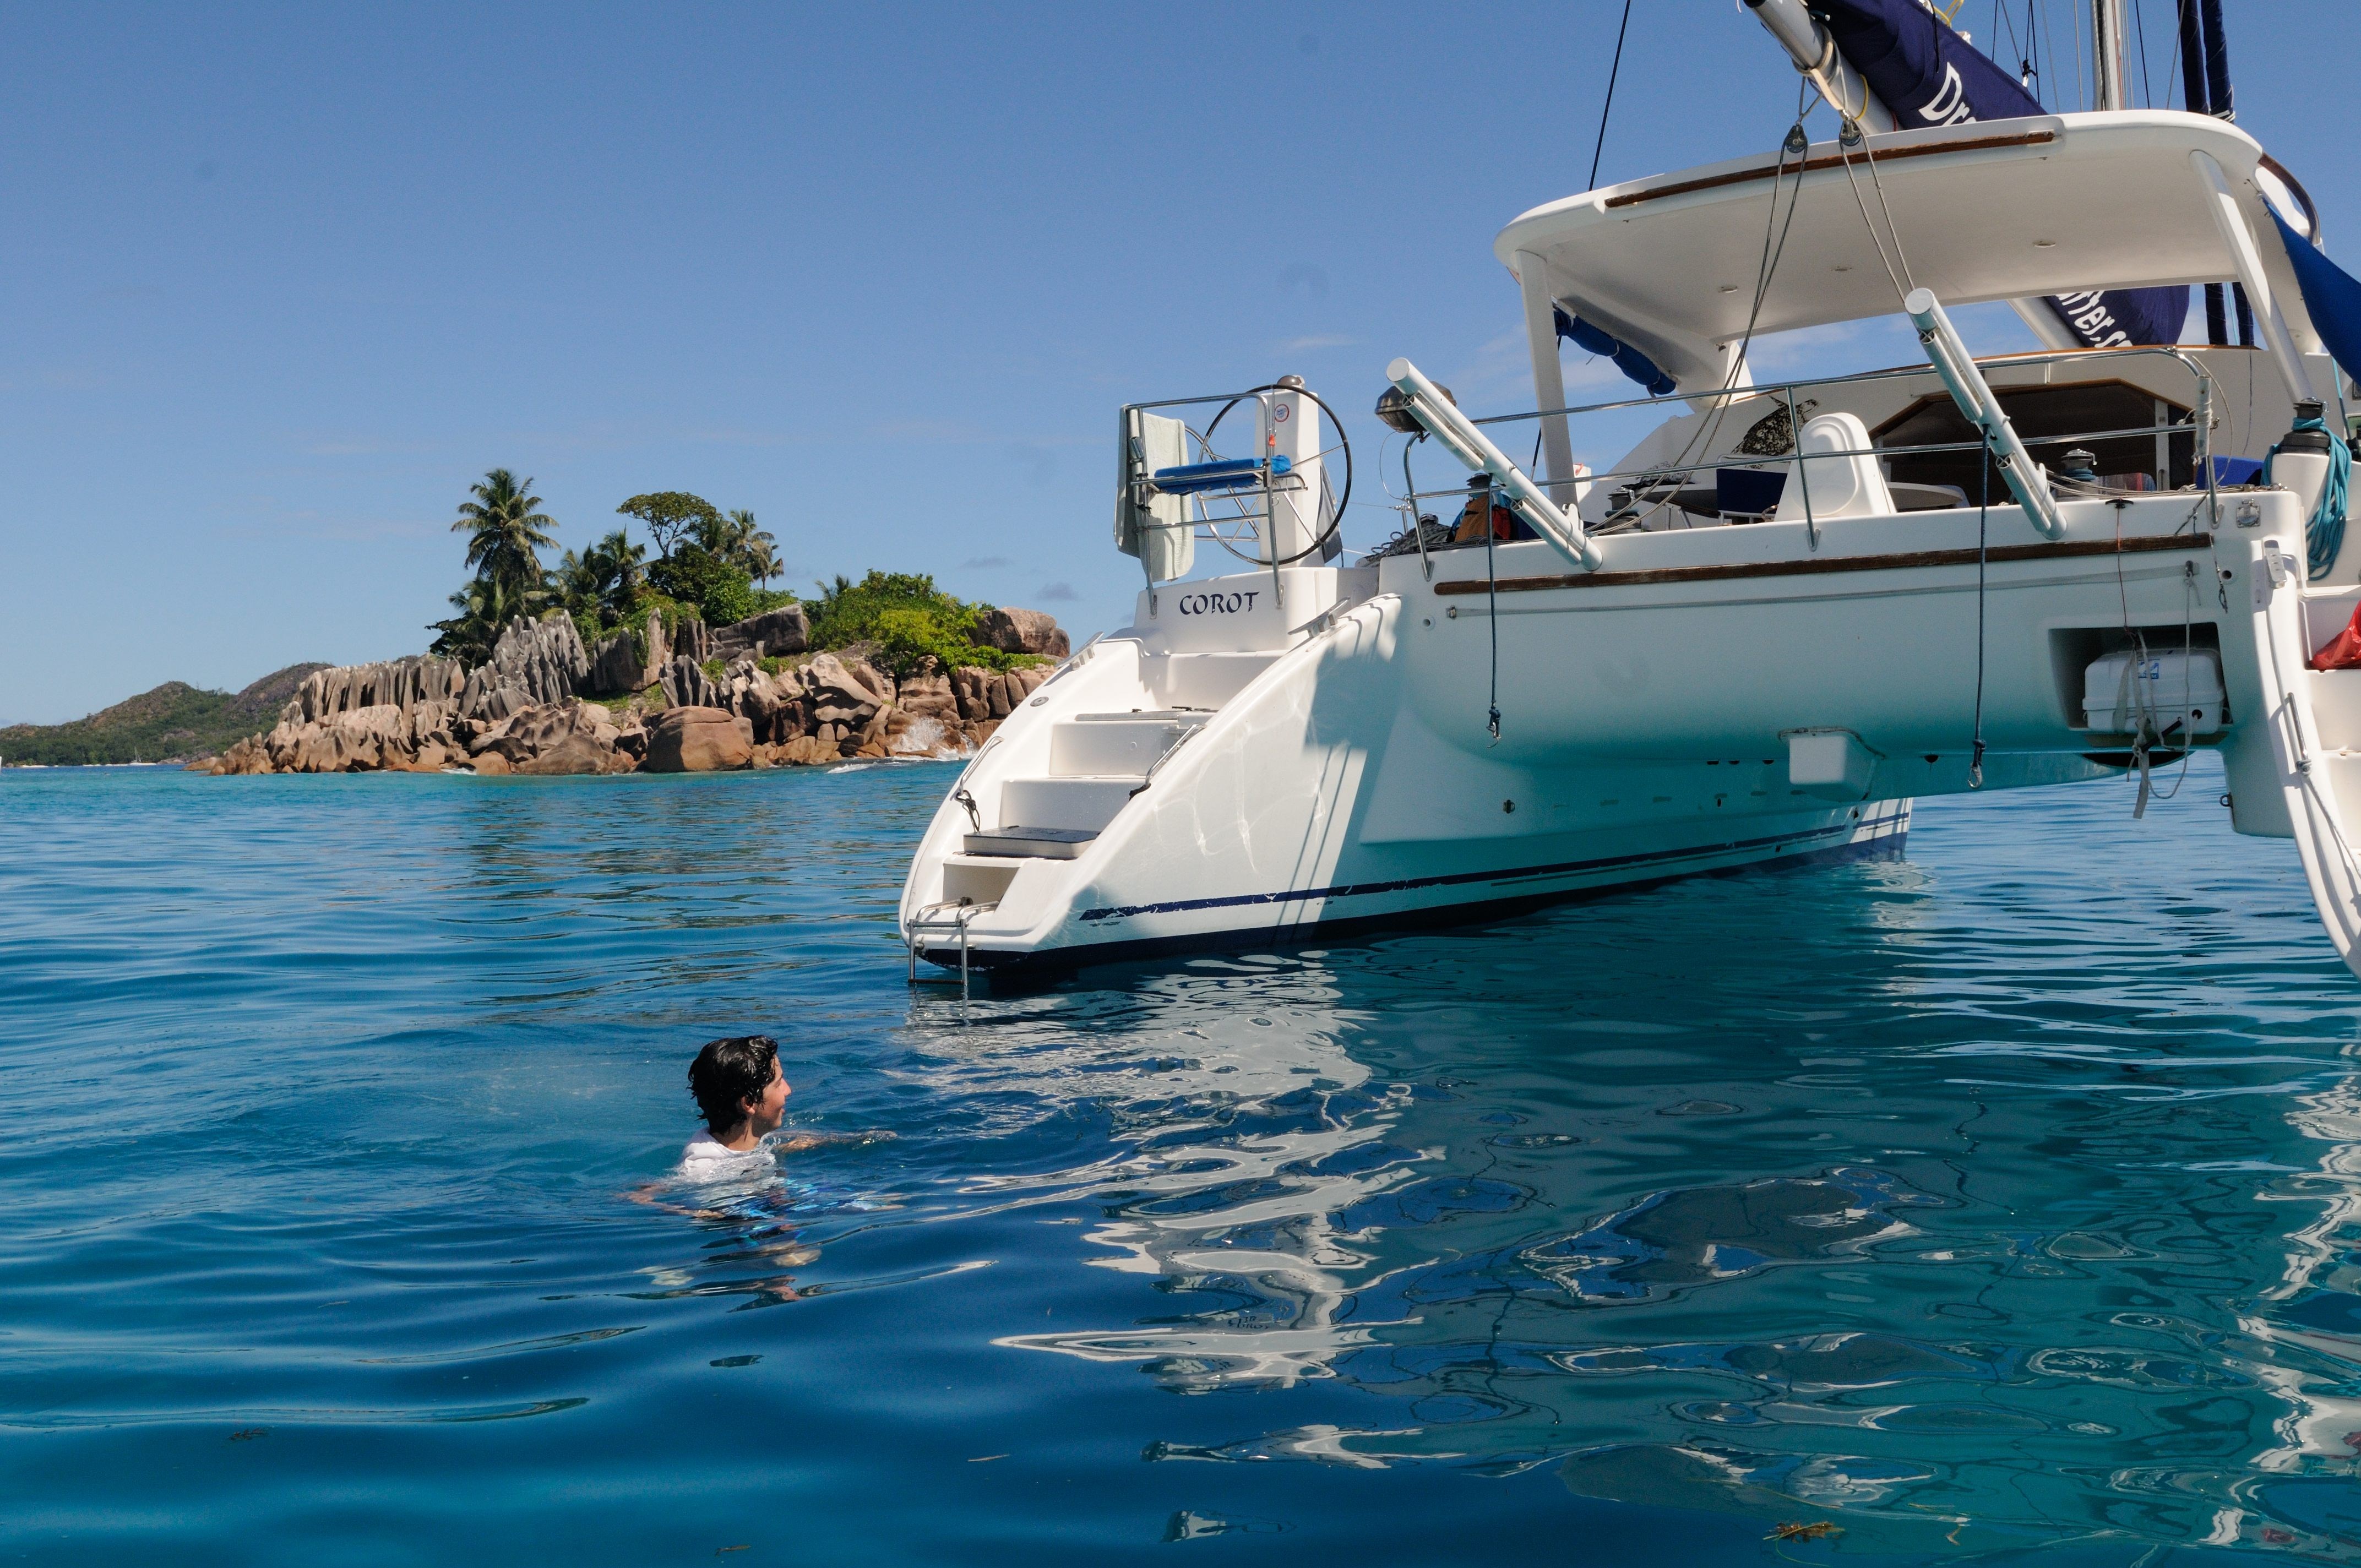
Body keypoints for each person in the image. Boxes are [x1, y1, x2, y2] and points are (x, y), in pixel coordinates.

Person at [682, 1034, 823, 1175]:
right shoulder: (704, 1171)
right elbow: (665, 1188)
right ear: (749, 1103)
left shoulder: (756, 1138)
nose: (788, 1090)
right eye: (778, 1083)